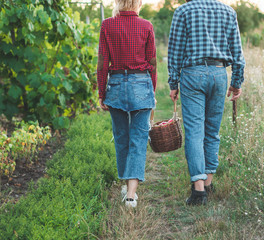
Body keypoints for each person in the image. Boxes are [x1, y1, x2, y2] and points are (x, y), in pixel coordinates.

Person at [168, 0, 245, 205]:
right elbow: (237, 52)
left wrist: (173, 82)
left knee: (194, 132)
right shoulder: (228, 11)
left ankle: (199, 190)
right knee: (212, 131)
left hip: (192, 73)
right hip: (219, 74)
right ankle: (208, 182)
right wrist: (236, 82)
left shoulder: (183, 11)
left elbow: (175, 50)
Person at [97, 0, 157, 208]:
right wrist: (152, 90)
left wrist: (101, 92)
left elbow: (103, 62)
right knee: (139, 138)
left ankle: (125, 186)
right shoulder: (146, 26)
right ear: (138, 2)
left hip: (115, 84)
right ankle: (131, 194)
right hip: (141, 83)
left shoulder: (107, 25)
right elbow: (152, 62)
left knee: (121, 137)